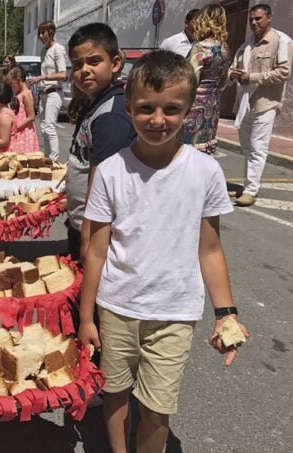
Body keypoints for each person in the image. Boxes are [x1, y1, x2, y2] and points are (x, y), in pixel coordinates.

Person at [80, 50, 249, 453]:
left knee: (157, 409)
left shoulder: (205, 171)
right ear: (128, 107)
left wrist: (226, 314)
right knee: (115, 393)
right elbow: (96, 251)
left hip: (174, 314)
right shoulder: (110, 171)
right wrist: (86, 317)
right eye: (146, 109)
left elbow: (210, 248)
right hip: (117, 308)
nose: (158, 120)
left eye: (172, 109)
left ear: (190, 109)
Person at [65, 23, 136, 261]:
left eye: (94, 61)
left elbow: (102, 188)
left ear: (115, 63)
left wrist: (88, 241)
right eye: (77, 64)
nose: (84, 70)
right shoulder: (94, 103)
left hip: (96, 231)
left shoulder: (110, 116)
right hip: (83, 223)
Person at [229, 3, 292, 207]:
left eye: (258, 18)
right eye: (252, 19)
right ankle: (248, 184)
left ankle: (250, 190)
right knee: (247, 147)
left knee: (258, 147)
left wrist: (252, 77)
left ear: (269, 18)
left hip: (265, 103)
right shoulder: (247, 44)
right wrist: (233, 75)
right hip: (245, 104)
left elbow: (284, 72)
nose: (254, 22)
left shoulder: (281, 41)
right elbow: (234, 66)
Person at [183, 4, 232, 155]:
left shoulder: (200, 48)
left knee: (188, 149)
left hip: (195, 104)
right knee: (205, 148)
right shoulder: (225, 48)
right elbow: (223, 82)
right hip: (214, 103)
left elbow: (190, 81)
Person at [29, 21, 68, 161]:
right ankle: (46, 157)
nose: (41, 36)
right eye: (39, 33)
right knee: (44, 127)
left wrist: (43, 77)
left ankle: (54, 159)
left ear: (51, 32)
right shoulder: (44, 50)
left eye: (43, 32)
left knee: (50, 126)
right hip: (44, 93)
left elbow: (63, 74)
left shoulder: (58, 49)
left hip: (54, 92)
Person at [6, 65, 40, 153]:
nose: (11, 86)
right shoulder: (19, 94)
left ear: (18, 80)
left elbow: (31, 117)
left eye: (11, 83)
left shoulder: (26, 94)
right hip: (18, 131)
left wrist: (16, 127)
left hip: (24, 132)